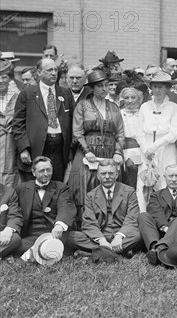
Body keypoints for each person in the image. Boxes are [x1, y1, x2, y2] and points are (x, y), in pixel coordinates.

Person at [69, 69, 125, 218]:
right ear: (92, 88)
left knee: (109, 186)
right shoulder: (82, 105)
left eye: (107, 85)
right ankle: (84, 225)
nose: (104, 89)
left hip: (109, 152)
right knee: (83, 187)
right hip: (87, 152)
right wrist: (87, 151)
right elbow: (77, 132)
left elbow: (120, 133)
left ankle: (109, 225)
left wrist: (118, 152)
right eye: (100, 86)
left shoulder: (114, 107)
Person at [12, 58, 75, 183]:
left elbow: (74, 121)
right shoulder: (27, 93)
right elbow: (18, 123)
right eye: (49, 70)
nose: (53, 73)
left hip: (59, 149)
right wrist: (23, 148)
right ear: (39, 73)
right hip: (36, 148)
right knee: (35, 187)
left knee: (56, 186)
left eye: (55, 70)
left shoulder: (66, 93)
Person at [71, 160, 141, 254]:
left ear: (117, 175)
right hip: (101, 234)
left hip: (122, 234)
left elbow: (132, 217)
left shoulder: (129, 192)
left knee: (138, 235)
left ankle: (97, 251)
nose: (107, 177)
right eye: (103, 174)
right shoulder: (90, 196)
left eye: (111, 173)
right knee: (72, 236)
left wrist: (119, 236)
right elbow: (89, 222)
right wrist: (101, 240)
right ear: (98, 176)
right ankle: (117, 250)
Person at [139, 164, 177, 268]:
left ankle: (158, 250)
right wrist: (166, 228)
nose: (173, 179)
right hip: (161, 232)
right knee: (143, 216)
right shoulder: (156, 195)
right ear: (165, 177)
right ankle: (155, 248)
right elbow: (155, 212)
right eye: (170, 176)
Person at [14, 156, 77, 257]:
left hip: (55, 235)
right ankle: (44, 250)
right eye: (41, 171)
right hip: (32, 236)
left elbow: (66, 207)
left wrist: (59, 225)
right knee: (15, 245)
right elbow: (13, 210)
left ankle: (42, 250)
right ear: (33, 172)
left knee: (78, 238)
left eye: (49, 170)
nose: (46, 174)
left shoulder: (61, 187)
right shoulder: (22, 188)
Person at [137, 71, 177, 210]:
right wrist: (146, 149)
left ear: (167, 88)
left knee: (165, 182)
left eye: (161, 87)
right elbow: (139, 132)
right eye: (154, 87)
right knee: (145, 182)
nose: (157, 90)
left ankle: (167, 217)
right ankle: (144, 217)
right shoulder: (145, 106)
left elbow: (173, 134)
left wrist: (154, 147)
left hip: (166, 149)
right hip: (146, 150)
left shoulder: (173, 107)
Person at [0, 60, 20, 187]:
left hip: (11, 144)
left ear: (10, 78)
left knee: (9, 171)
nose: (1, 81)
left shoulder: (17, 96)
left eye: (4, 77)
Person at [119, 87, 144, 188]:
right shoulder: (119, 113)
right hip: (125, 149)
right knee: (130, 175)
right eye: (126, 97)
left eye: (133, 97)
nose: (130, 100)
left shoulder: (143, 112)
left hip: (143, 148)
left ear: (138, 98)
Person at [0, 182, 22, 258]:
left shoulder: (9, 192)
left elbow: (15, 214)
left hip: (1, 234)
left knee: (15, 238)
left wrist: (8, 229)